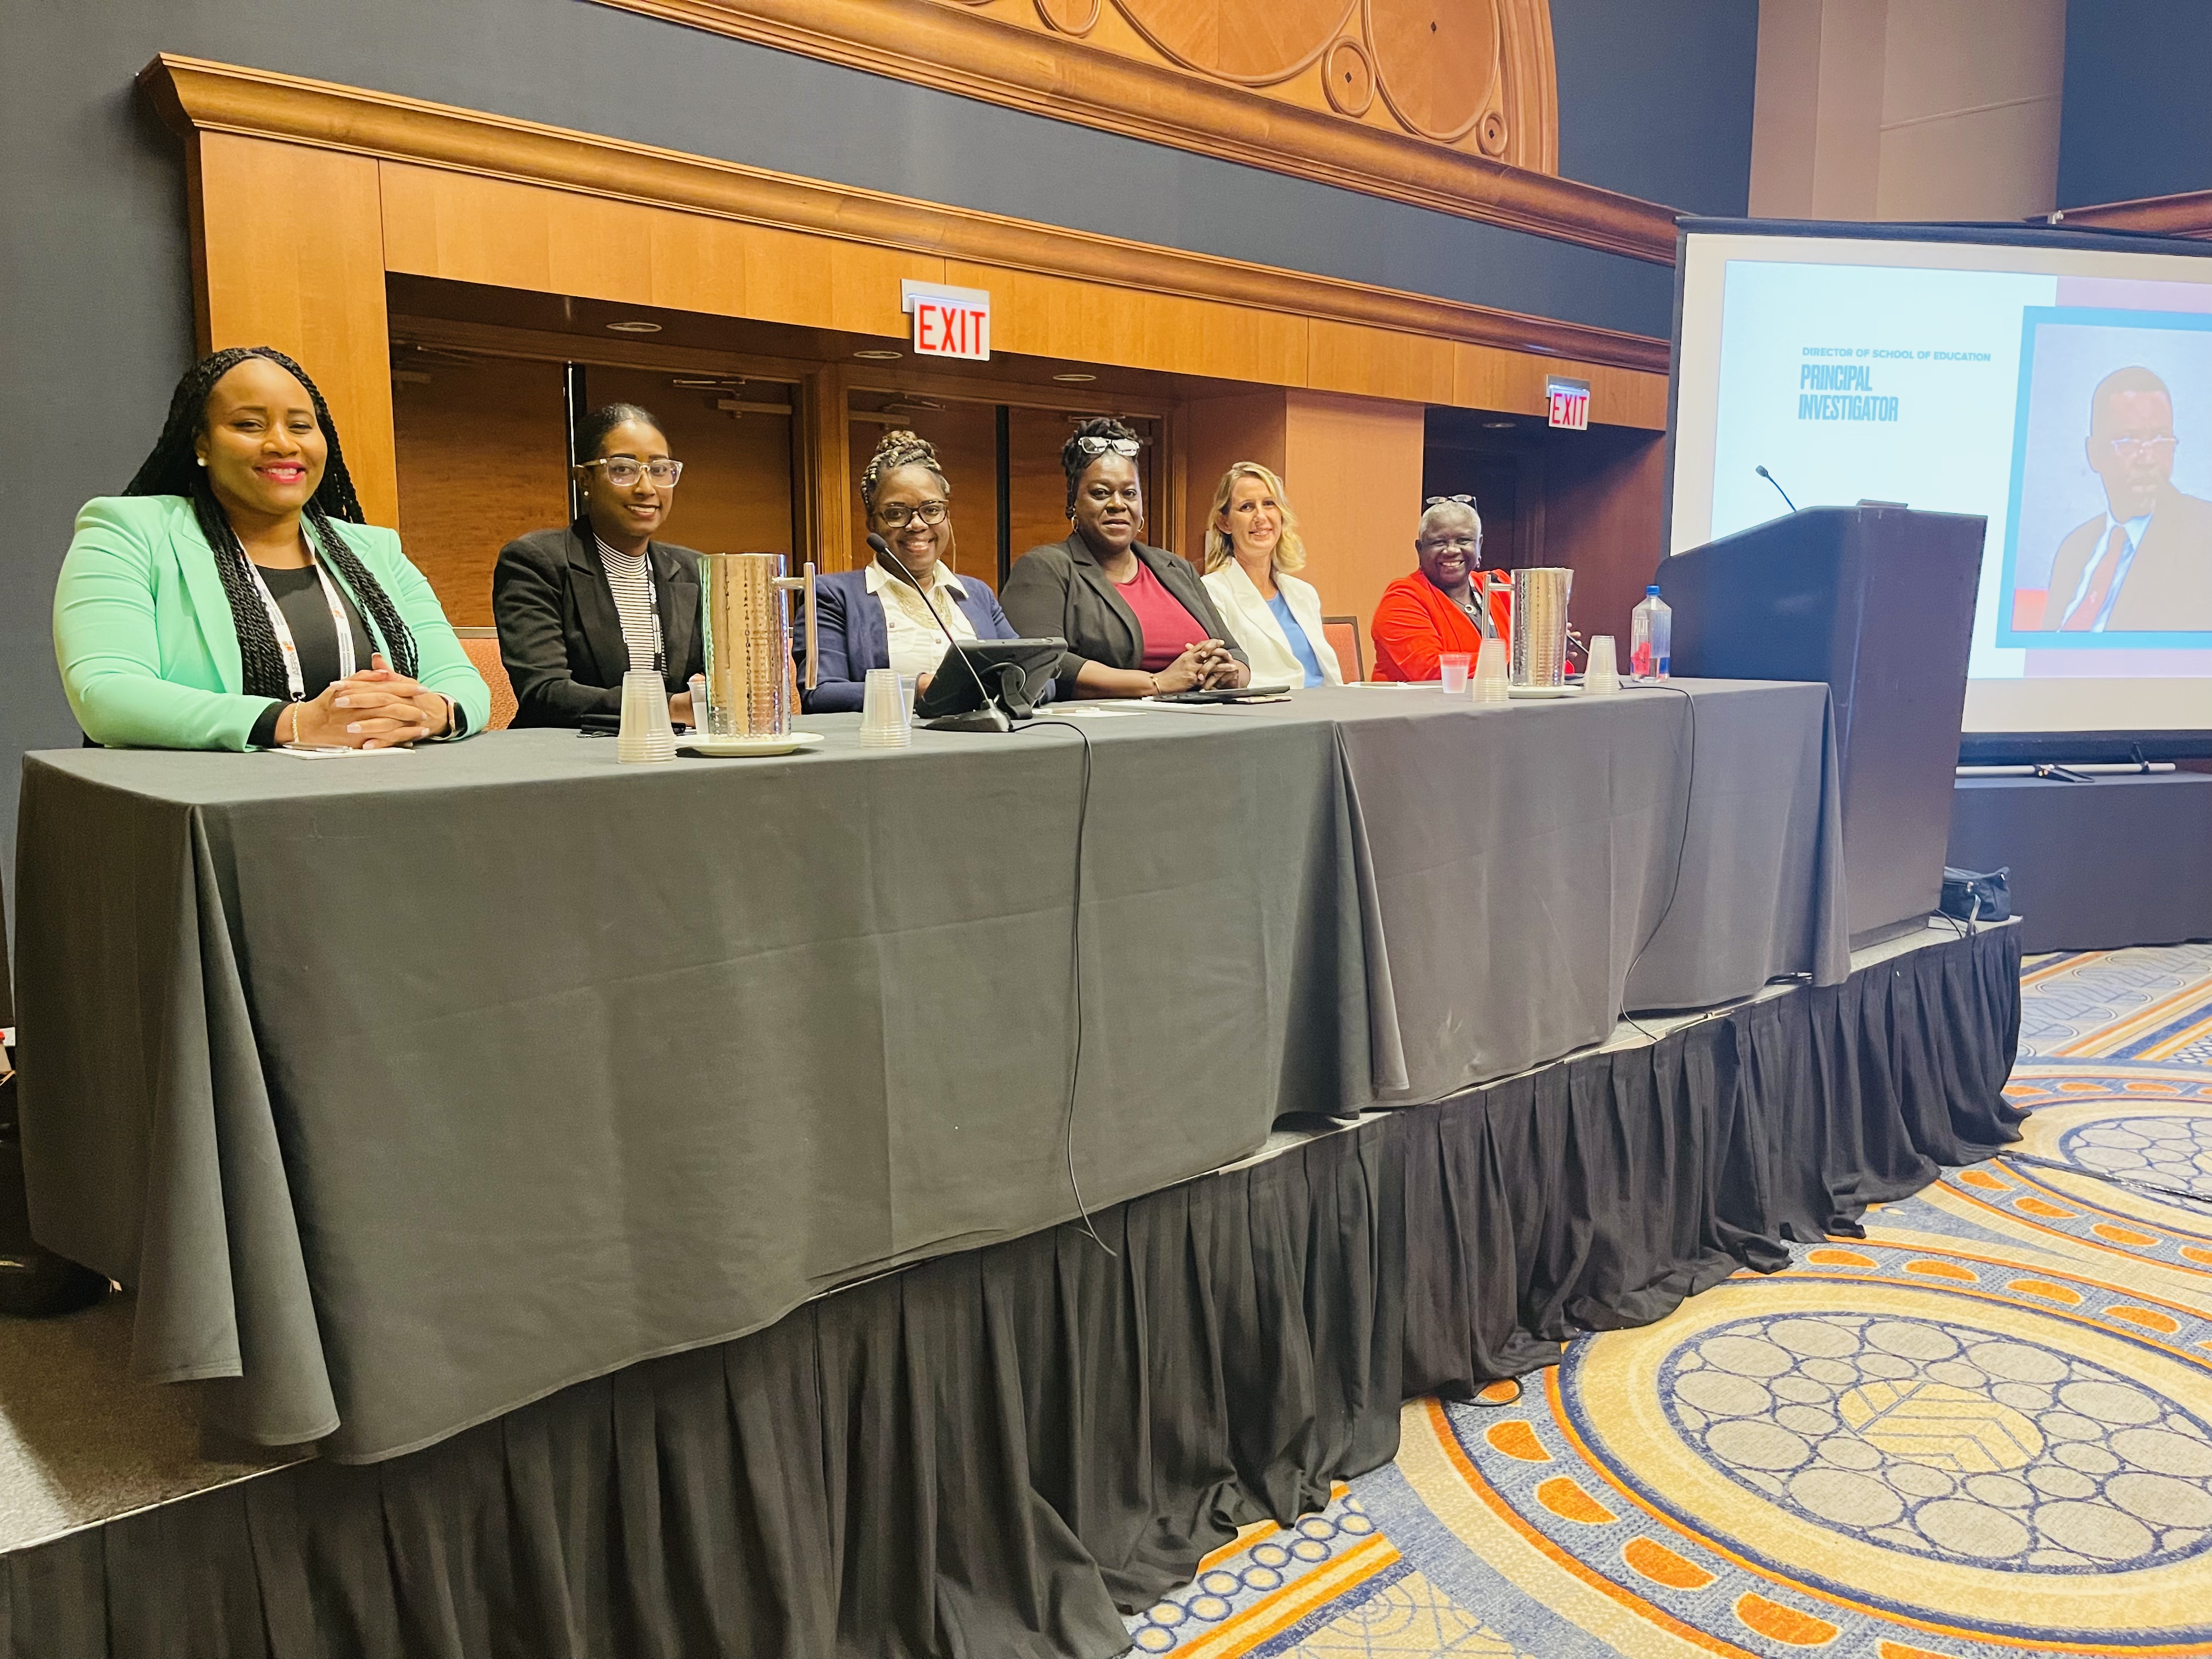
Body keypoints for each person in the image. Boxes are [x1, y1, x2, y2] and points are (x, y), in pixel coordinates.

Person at [55, 346, 487, 751]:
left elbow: (459, 680)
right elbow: (107, 694)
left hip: (380, 797)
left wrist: (434, 712)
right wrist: (296, 723)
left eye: (301, 425)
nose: (283, 443)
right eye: (249, 424)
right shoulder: (128, 532)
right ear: (201, 443)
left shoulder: (375, 549)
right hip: (210, 807)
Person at [1002, 417, 1250, 698]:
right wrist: (1156, 683)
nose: (1118, 504)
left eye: (1129, 493)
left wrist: (1230, 673)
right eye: (1100, 493)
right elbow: (1041, 659)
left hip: (1208, 717)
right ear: (1073, 502)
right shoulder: (1045, 568)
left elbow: (1234, 652)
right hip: (1110, 728)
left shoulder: (1175, 568)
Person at [493, 403, 704, 727]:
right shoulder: (535, 561)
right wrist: (667, 708)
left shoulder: (694, 569)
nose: (647, 488)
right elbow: (543, 691)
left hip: (676, 754)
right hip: (569, 755)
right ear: (584, 479)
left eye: (660, 469)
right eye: (623, 469)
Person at [801, 429, 1030, 712]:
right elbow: (819, 693)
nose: (917, 524)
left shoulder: (977, 594)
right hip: (887, 749)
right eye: (896, 513)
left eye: (932, 510)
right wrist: (919, 688)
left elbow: (1034, 674)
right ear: (872, 523)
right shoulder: (834, 597)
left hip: (985, 746)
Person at [2035, 365, 2212, 633]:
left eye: (2160, 439)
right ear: (2094, 454)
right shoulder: (2074, 549)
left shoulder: (2203, 536)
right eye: (2129, 440)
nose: (2148, 459)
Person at [1199, 462, 1343, 687]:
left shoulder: (1304, 593)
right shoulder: (1211, 592)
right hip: (1270, 712)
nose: (1261, 517)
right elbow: (1223, 678)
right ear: (1224, 522)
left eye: (1269, 504)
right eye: (1247, 507)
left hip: (1328, 707)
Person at [1370, 496, 1511, 682]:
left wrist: (1557, 650)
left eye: (1463, 540)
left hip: (1499, 705)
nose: (1451, 550)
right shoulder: (1402, 598)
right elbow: (1431, 669)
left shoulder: (1499, 584)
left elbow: (1539, 651)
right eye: (1439, 542)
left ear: (1479, 545)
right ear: (1420, 550)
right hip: (1418, 708)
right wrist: (1521, 663)